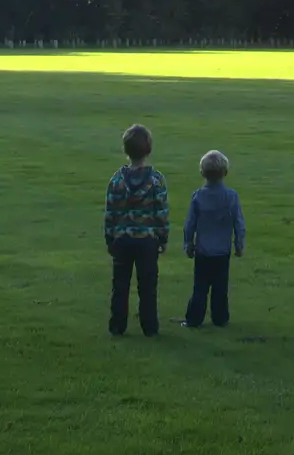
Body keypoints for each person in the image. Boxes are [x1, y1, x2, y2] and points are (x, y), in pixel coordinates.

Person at [104, 123, 169, 337]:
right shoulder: (156, 180)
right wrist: (162, 237)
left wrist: (109, 238)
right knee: (148, 287)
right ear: (148, 150)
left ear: (125, 150)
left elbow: (111, 211)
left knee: (120, 286)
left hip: (122, 239)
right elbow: (161, 212)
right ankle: (149, 327)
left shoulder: (116, 180)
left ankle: (117, 325)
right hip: (147, 240)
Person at [182, 150, 246, 329]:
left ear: (202, 173)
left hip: (203, 250)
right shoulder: (232, 197)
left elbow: (190, 224)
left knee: (200, 287)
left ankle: (194, 319)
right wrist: (239, 243)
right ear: (225, 173)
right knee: (220, 287)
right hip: (222, 251)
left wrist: (188, 243)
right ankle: (220, 317)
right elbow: (238, 222)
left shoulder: (198, 197)